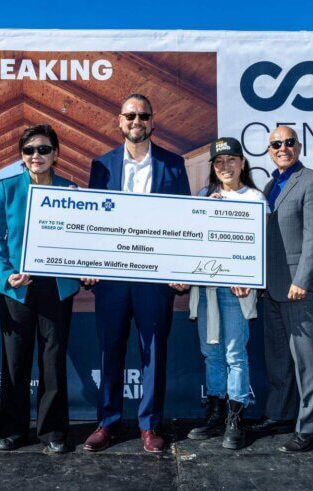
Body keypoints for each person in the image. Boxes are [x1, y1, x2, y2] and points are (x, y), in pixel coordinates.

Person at [83, 93, 190, 453]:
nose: (136, 121)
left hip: (154, 278)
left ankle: (149, 424)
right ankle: (108, 422)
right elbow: (92, 223)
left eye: (143, 115)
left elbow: (184, 221)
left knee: (154, 352)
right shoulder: (102, 165)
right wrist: (89, 265)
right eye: (130, 115)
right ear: (119, 120)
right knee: (109, 350)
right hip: (112, 278)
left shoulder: (174, 165)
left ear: (153, 121)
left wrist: (180, 268)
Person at [0, 124, 80, 454]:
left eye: (43, 149)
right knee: (15, 362)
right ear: (21, 157)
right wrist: (6, 273)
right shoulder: (8, 188)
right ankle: (12, 429)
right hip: (16, 289)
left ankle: (52, 430)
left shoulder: (71, 190)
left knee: (52, 361)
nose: (36, 156)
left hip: (57, 288)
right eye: (29, 150)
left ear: (56, 153)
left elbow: (81, 238)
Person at [249, 126, 313, 453]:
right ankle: (279, 413)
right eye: (276, 144)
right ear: (269, 151)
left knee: (307, 360)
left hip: (300, 288)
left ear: (298, 146)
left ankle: (309, 426)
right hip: (271, 288)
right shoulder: (270, 185)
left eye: (288, 142)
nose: (282, 148)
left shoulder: (312, 181)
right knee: (278, 358)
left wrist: (303, 280)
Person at [187, 137, 264, 450]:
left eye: (231, 160)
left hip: (237, 290)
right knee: (212, 352)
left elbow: (260, 245)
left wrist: (249, 277)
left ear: (242, 163)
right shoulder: (206, 195)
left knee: (234, 353)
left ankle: (236, 416)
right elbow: (193, 241)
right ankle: (216, 411)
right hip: (207, 289)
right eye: (219, 162)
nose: (226, 166)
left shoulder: (255, 197)